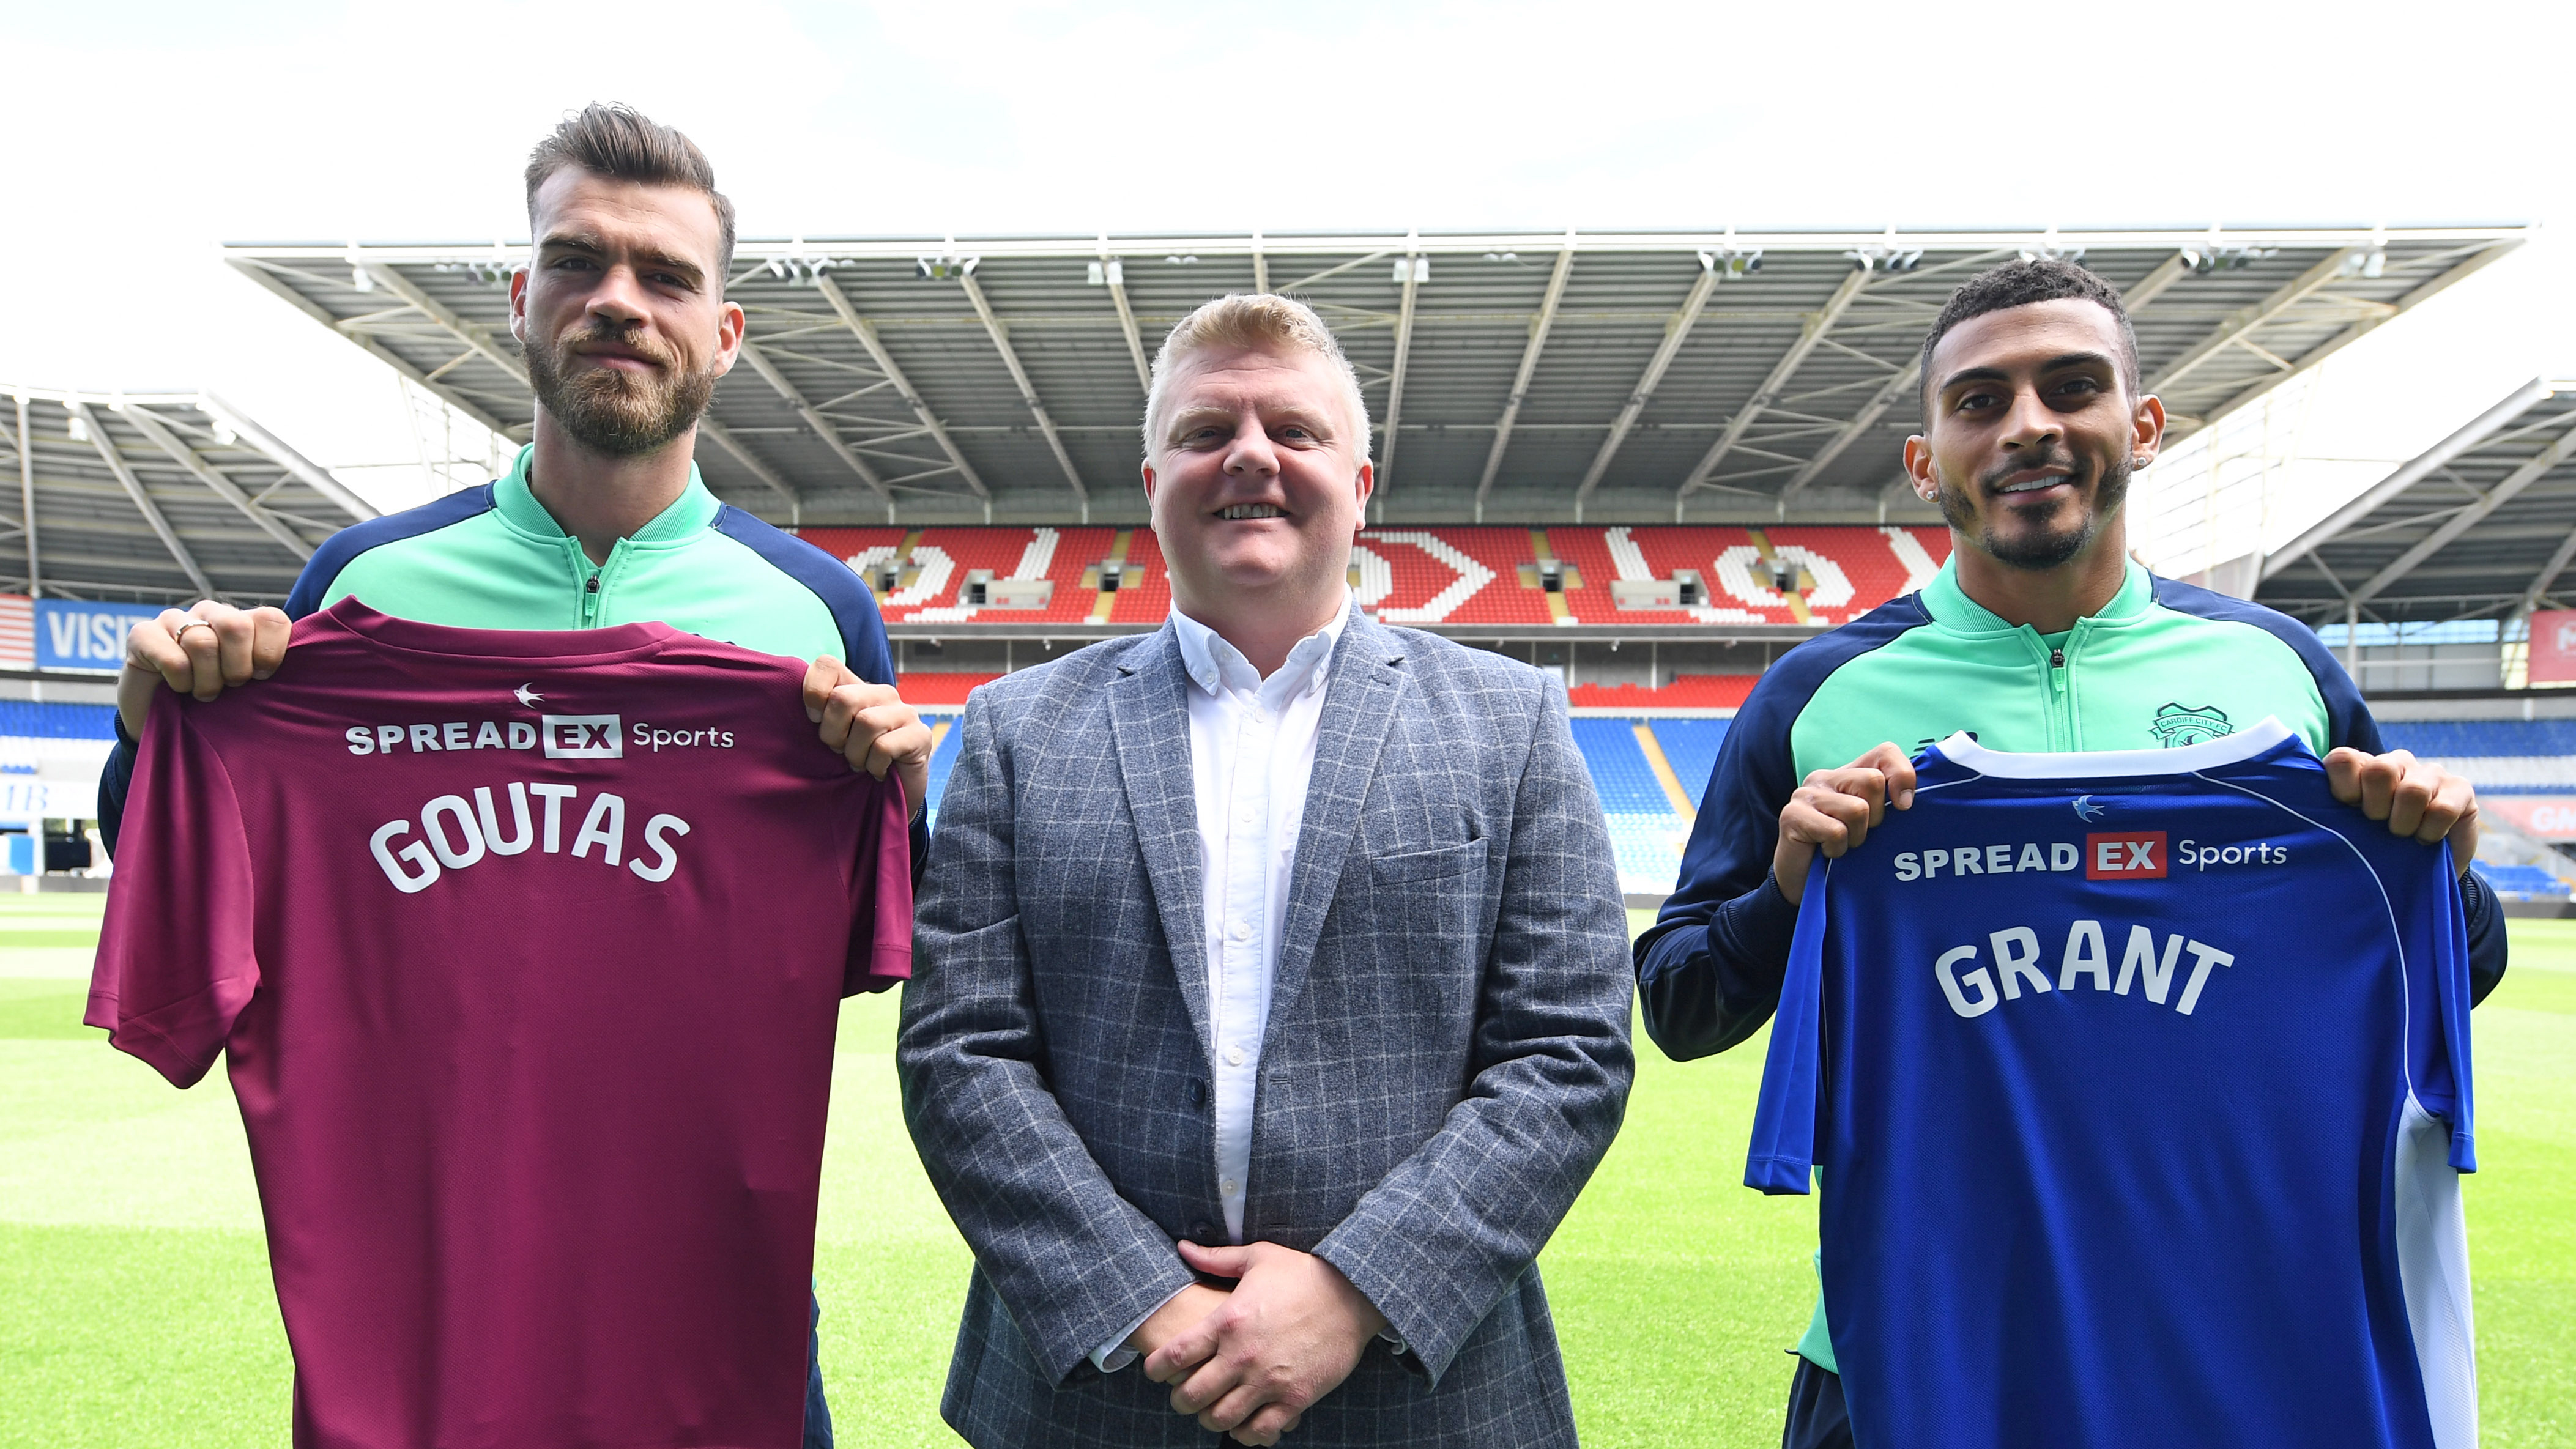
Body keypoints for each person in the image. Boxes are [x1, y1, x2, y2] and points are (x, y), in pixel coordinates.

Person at [98, 103, 932, 1449]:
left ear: (724, 333)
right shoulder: (360, 590)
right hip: (420, 1321)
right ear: (521, 299)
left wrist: (891, 791)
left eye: (665, 277)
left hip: (717, 1313)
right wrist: (160, 730)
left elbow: (889, 936)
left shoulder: (817, 613)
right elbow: (191, 882)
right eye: (578, 263)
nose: (619, 302)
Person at [1633, 256, 2507, 1449]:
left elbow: (2455, 968)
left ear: (2141, 427)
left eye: (2072, 387)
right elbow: (1681, 1005)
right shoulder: (1818, 695)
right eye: (1982, 401)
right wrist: (1791, 889)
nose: (2029, 426)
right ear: (1926, 458)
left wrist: (2438, 861)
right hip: (1907, 1348)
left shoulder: (2280, 671)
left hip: (2224, 1344)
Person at [898, 293, 1635, 1447]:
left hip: (1422, 1402)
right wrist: (1141, 1299)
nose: (1250, 454)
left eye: (1294, 430)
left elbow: (1568, 1049)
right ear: (1153, 485)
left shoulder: (1514, 721)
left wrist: (1357, 1287)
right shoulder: (1010, 730)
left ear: (1362, 482)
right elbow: (960, 1052)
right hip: (1093, 1398)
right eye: (1205, 432)